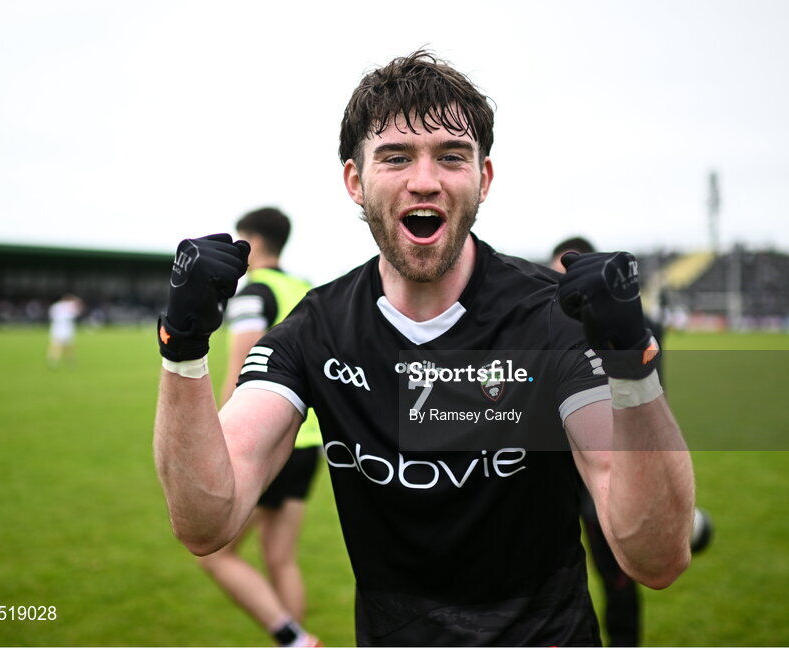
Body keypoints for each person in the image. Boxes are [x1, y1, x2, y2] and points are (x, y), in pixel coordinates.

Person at [154, 50, 695, 646]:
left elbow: (656, 559)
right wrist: (182, 350)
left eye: (452, 156)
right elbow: (208, 521)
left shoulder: (551, 320)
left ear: (483, 179)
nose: (425, 180)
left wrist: (632, 366)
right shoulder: (316, 329)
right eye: (396, 157)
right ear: (355, 181)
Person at [550, 237, 714, 647]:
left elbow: (649, 394)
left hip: (610, 459)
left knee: (620, 578)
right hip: (556, 471)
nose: (558, 292)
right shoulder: (541, 327)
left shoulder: (632, 325)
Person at [196, 207, 322, 647]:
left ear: (251, 239)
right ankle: (299, 642)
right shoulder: (304, 288)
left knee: (214, 552)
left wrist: (216, 437)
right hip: (309, 439)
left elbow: (241, 370)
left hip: (264, 439)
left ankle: (292, 638)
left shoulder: (254, 292)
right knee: (281, 560)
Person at [47, 294, 83, 368]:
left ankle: (54, 361)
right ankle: (68, 362)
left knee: (57, 345)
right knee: (66, 346)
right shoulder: (70, 306)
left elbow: (51, 316)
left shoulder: (55, 306)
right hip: (65, 327)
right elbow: (78, 311)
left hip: (58, 327)